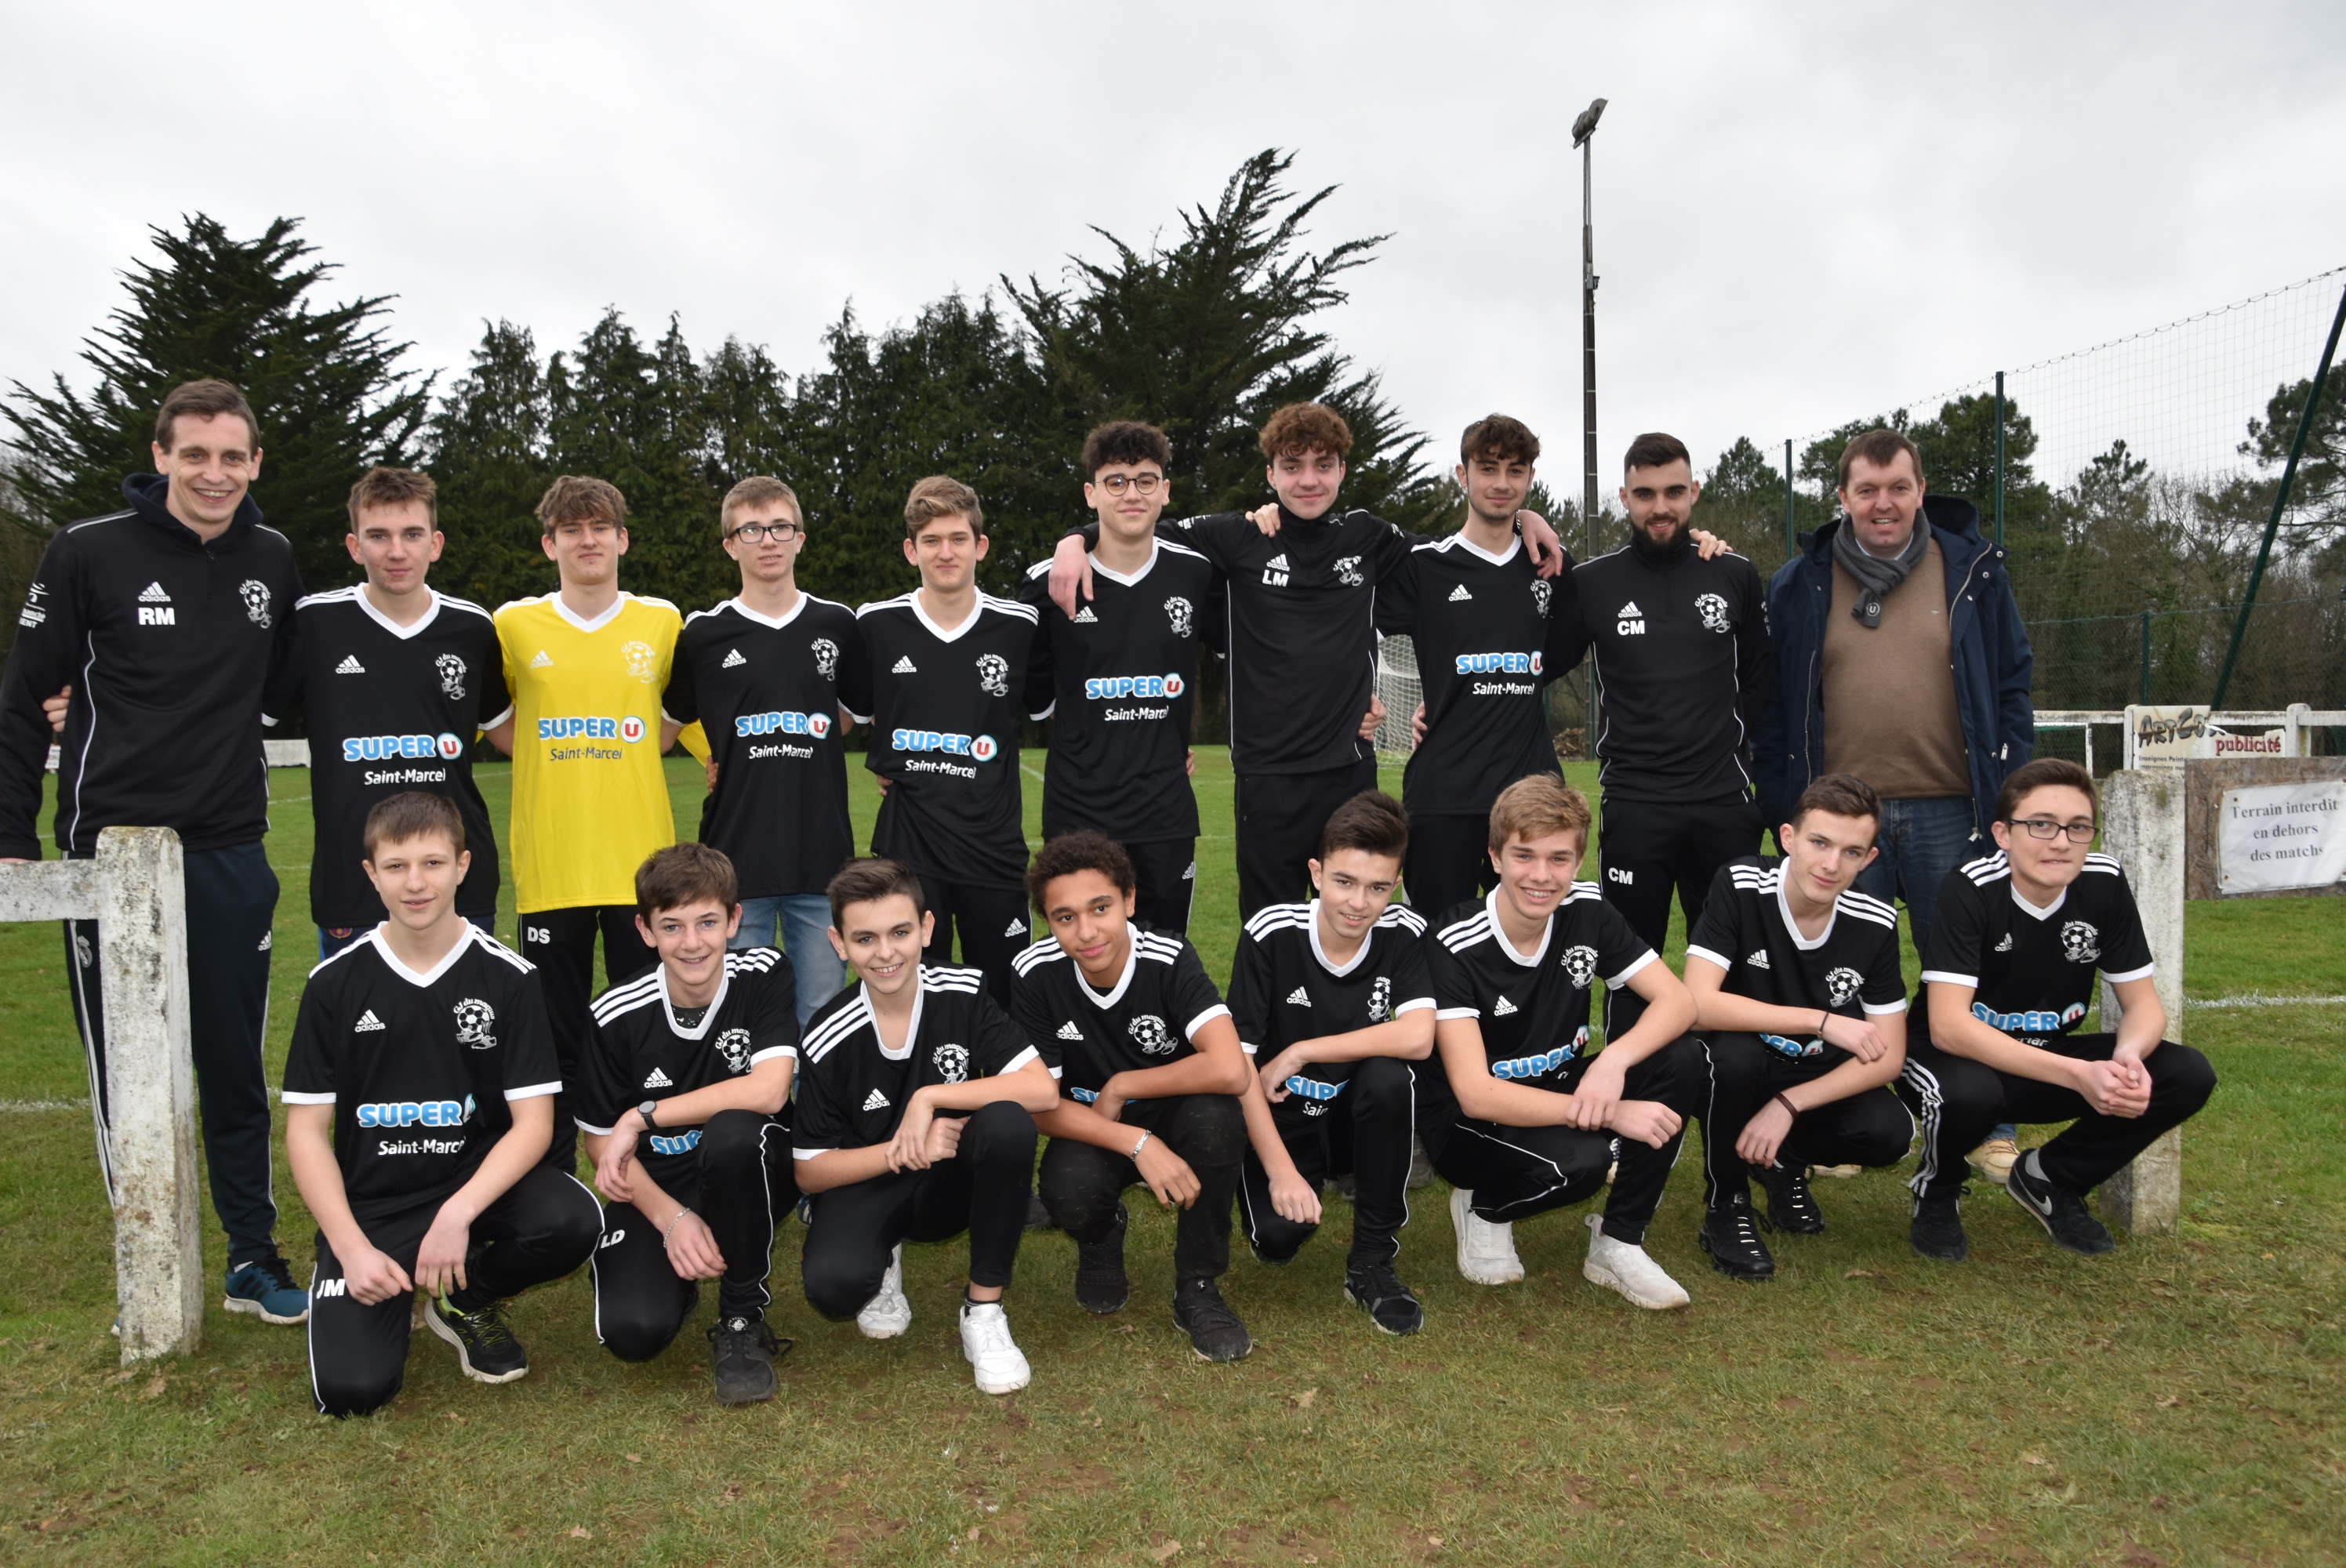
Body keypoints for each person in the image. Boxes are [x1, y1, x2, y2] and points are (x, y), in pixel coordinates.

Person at [0, 378, 310, 1325]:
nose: (214, 473)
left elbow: (287, 691)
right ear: (162, 455)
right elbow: (24, 696)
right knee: (128, 1067)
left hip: (230, 846)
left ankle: (251, 1256)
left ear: (255, 463)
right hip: (114, 854)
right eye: (195, 454)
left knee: (233, 1063)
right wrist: (10, 835)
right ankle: (148, 1258)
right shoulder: (88, 550)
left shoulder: (272, 557)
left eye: (232, 456)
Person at [1048, 402, 1567, 918]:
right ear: (1271, 475)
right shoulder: (1237, 537)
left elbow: (1468, 548)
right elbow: (1134, 526)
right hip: (1266, 781)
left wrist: (1524, 517)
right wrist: (1075, 539)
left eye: (1323, 465)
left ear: (1343, 470)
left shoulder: (1369, 537)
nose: (1309, 480)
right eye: (1292, 466)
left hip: (1350, 775)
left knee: (1356, 924)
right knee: (1269, 932)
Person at [1752, 426, 2034, 1184]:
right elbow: (1774, 705)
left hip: (1954, 809)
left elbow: (2013, 683)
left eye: (1899, 488)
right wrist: (1783, 806)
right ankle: (1841, 1120)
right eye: (1868, 490)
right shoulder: (1799, 583)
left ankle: (1988, 1121)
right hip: (1842, 823)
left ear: (1920, 491)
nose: (1884, 504)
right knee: (1836, 975)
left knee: (1966, 970)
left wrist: (2012, 790)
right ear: (1842, 497)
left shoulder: (1974, 570)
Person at [284, 793, 600, 1417]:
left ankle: (463, 1297)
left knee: (572, 1220)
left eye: (432, 863)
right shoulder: (335, 984)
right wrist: (351, 1248)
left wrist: (458, 1215)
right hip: (376, 1204)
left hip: (473, 1190)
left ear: (462, 866)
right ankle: (380, 1280)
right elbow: (306, 1132)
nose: (416, 883)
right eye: (396, 866)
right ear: (371, 874)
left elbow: (534, 1125)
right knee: (352, 1393)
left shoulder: (509, 979)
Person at [1901, 759, 2217, 1261]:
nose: (2061, 842)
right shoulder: (1972, 887)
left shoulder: (2103, 882)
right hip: (1950, 1060)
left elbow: (2143, 1005)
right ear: (2003, 834)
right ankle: (1938, 1190)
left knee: (2185, 1073)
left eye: (2078, 827)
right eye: (2042, 825)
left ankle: (2051, 1177)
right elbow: (1948, 1027)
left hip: (2045, 1057)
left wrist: (2127, 1059)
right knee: (1971, 1093)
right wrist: (2079, 1074)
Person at [1421, 774, 1709, 1309]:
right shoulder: (1453, 941)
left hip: (1556, 1086)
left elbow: (1680, 1002)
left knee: (1682, 1056)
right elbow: (1476, 1094)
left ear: (1577, 863)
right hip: (1469, 1123)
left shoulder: (1588, 911)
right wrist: (1613, 1113)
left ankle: (1619, 1242)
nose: (1541, 875)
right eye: (1524, 856)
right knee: (1582, 1162)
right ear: (1495, 857)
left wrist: (1613, 1062)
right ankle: (1485, 1207)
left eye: (1558, 859)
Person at [485, 476, 692, 1171]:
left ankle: (652, 1167)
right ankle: (554, 1180)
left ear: (622, 539)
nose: (587, 540)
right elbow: (499, 724)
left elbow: (679, 723)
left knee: (647, 1027)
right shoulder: (513, 625)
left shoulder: (662, 622)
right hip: (553, 868)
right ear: (550, 545)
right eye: (571, 530)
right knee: (554, 1035)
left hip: (641, 870)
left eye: (600, 527)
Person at [794, 858, 1059, 1395]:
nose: (885, 953)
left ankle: (983, 1310)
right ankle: (882, 1254)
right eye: (865, 938)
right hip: (872, 1179)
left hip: (949, 1182)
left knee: (1008, 1122)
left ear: (927, 928)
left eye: (900, 932)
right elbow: (809, 1170)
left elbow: (1042, 1089)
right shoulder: (827, 1034)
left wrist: (930, 1097)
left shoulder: (963, 991)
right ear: (839, 943)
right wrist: (900, 1149)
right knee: (834, 1288)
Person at [1011, 831, 1255, 1360]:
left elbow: (1230, 1067)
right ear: (1048, 921)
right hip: (1095, 1124)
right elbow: (1038, 1103)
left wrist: (1123, 1086)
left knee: (1217, 1121)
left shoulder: (1168, 956)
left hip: (1173, 1113)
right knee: (1069, 1190)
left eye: (1100, 908)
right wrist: (1136, 1142)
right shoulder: (1034, 974)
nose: (1087, 931)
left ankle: (1198, 1284)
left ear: (1129, 899)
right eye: (1065, 917)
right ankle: (1101, 1235)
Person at [1553, 434, 1770, 1027]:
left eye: (1674, 492)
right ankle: (1630, 1073)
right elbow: (1538, 665)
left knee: (1735, 963)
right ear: (1624, 497)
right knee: (1630, 961)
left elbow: (1758, 681)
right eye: (1645, 494)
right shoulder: (1593, 582)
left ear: (1694, 492)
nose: (1661, 507)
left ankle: (1725, 1076)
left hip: (1723, 803)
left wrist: (1731, 755)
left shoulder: (1735, 574)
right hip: (1636, 805)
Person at [577, 843, 800, 1404]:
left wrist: (643, 1115)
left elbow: (769, 1090)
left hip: (750, 1162)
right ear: (645, 930)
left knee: (734, 1131)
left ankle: (742, 1316)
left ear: (734, 920)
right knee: (634, 1333)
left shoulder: (764, 972)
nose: (693, 942)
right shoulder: (614, 1013)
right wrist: (670, 1219)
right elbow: (599, 1139)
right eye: (671, 926)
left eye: (707, 922)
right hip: (658, 1182)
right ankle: (682, 1260)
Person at [265, 466, 507, 959]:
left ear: (435, 544)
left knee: (465, 1010)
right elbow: (244, 715)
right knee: (359, 1012)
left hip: (459, 880)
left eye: (412, 534)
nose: (397, 551)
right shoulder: (315, 623)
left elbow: (509, 731)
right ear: (355, 546)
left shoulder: (471, 627)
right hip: (354, 882)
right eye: (379, 536)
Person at [1682, 773, 1916, 1282]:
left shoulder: (1875, 921)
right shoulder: (1741, 885)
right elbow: (1696, 1003)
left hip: (1807, 1076)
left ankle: (1781, 1161)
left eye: (1852, 852)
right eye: (1820, 843)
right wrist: (1818, 1020)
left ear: (1869, 859)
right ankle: (1728, 1205)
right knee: (1731, 1058)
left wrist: (1789, 1105)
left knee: (1889, 1133)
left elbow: (1890, 1055)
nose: (1831, 865)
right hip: (1740, 1062)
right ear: (1788, 838)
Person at [1229, 792, 1438, 1335]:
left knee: (1389, 1077)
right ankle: (1296, 1175)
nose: (1358, 903)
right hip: (1284, 1115)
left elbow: (1418, 1037)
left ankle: (1372, 1260)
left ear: (1395, 886)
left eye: (1377, 888)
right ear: (1317, 874)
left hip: (1352, 1115)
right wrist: (1281, 1174)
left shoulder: (1405, 932)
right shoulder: (1271, 933)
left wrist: (1302, 1050)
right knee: (1276, 1240)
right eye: (1344, 881)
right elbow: (1238, 1067)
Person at [841, 478, 1044, 1004]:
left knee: (1001, 1000)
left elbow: (1057, 712)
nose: (945, 552)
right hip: (910, 853)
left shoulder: (1019, 626)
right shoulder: (876, 624)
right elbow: (848, 716)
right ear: (912, 551)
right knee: (914, 997)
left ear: (981, 546)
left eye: (958, 539)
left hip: (993, 851)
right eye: (931, 540)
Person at [662, 475, 856, 1024]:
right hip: (734, 861)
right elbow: (669, 727)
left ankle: (813, 1090)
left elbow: (847, 717)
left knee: (821, 1013)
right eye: (751, 530)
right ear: (731, 545)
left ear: (800, 538)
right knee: (740, 1015)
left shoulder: (837, 624)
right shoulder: (703, 634)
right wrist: (727, 756)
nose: (768, 540)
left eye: (780, 527)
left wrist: (798, 740)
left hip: (821, 856)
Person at [1020, 422, 1222, 935]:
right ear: (1091, 494)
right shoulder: (1048, 583)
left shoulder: (1196, 574)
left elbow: (1258, 651)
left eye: (1145, 480)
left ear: (1165, 491)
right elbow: (1032, 699)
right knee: (1082, 952)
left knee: (1164, 957)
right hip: (1077, 812)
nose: (1132, 493)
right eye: (1115, 481)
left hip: (1165, 812)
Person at [1378, 416, 1583, 915]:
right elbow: (1352, 629)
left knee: (1532, 939)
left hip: (1532, 793)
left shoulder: (1553, 567)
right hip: (1443, 794)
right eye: (1488, 468)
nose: (1501, 483)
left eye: (1515, 471)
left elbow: (1557, 657)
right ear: (1462, 474)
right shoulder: (1423, 565)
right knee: (1433, 939)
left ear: (1530, 478)